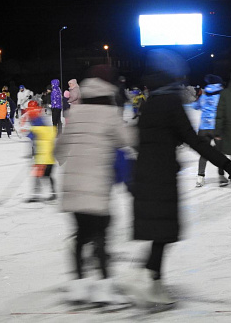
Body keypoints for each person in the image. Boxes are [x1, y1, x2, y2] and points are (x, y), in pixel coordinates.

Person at [125, 49, 231, 306]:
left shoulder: (151, 101)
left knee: (161, 233)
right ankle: (143, 277)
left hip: (146, 175)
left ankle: (152, 283)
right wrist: (226, 164)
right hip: (161, 177)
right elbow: (194, 140)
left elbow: (143, 139)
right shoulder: (170, 102)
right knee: (164, 232)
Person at [54, 65, 135, 305]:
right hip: (97, 184)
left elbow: (60, 148)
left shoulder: (75, 113)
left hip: (73, 183)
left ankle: (78, 286)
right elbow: (128, 140)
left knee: (80, 235)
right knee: (100, 235)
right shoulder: (110, 113)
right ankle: (104, 287)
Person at [193, 74, 227, 187]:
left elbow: (195, 106)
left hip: (203, 129)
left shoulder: (204, 95)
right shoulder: (222, 96)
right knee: (220, 152)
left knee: (204, 153)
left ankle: (200, 177)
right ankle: (221, 177)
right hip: (216, 128)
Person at [23, 101, 57, 202]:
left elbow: (37, 135)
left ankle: (39, 194)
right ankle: (50, 194)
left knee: (41, 174)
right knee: (43, 174)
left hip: (44, 154)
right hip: (44, 153)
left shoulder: (37, 121)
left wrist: (33, 150)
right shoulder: (37, 119)